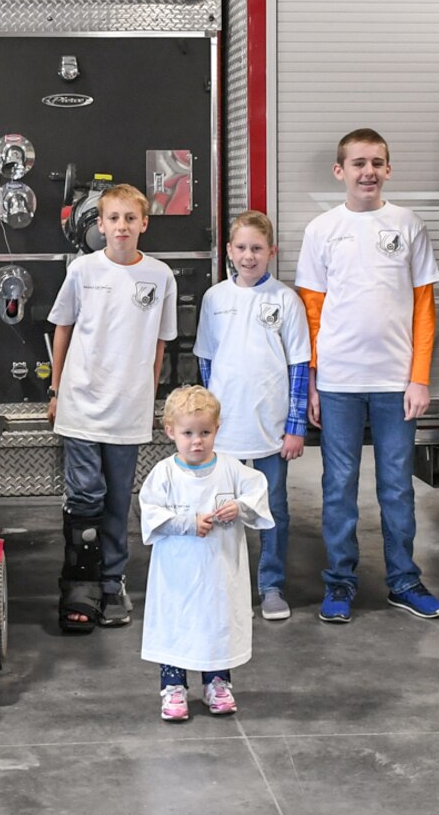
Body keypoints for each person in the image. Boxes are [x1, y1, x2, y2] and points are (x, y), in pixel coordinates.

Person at [295, 128, 439, 625]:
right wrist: (312, 381)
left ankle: (404, 581)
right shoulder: (322, 230)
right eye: (358, 163)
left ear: (388, 169)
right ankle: (339, 583)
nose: (368, 172)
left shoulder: (408, 224)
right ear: (340, 171)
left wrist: (418, 377)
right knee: (338, 485)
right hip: (338, 383)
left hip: (395, 384)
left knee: (397, 486)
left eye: (377, 162)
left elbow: (425, 307)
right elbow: (311, 313)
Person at [49, 184, 180, 633]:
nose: (121, 226)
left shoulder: (161, 276)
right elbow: (62, 330)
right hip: (82, 405)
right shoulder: (83, 270)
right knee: (86, 496)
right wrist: (55, 390)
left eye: (130, 218)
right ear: (99, 224)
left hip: (129, 411)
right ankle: (79, 584)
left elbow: (160, 343)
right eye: (113, 218)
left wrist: (150, 398)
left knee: (119, 501)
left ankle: (111, 581)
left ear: (144, 223)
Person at [194, 211, 310, 621]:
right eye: (241, 247)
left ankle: (271, 585)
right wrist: (206, 427)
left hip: (270, 430)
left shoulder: (285, 300)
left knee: (271, 507)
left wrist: (295, 427)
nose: (248, 256)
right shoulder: (215, 299)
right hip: (224, 434)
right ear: (228, 251)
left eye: (257, 248)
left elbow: (299, 366)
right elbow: (206, 364)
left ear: (271, 252)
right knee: (222, 509)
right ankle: (223, 583)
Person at [138, 386, 273, 722]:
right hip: (178, 574)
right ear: (170, 431)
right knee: (177, 622)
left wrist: (239, 507)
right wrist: (186, 523)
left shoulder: (230, 469)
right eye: (187, 433)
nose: (196, 441)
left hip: (219, 571)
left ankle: (217, 683)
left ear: (217, 429)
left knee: (218, 620)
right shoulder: (165, 473)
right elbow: (149, 511)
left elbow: (257, 490)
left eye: (205, 432)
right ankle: (173, 687)